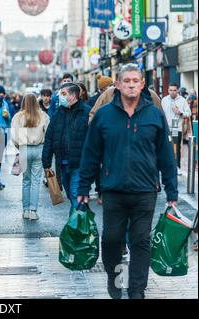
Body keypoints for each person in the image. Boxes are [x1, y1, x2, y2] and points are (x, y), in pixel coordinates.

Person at [77, 64, 178, 299]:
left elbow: (166, 155)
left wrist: (172, 192)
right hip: (113, 190)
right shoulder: (103, 116)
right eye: (127, 81)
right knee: (111, 239)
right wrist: (83, 187)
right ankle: (115, 279)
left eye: (136, 80)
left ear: (142, 84)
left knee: (141, 240)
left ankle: (136, 291)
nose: (131, 84)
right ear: (118, 85)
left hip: (145, 190)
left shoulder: (154, 115)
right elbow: (91, 154)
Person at [42, 83, 91, 210]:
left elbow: (94, 139)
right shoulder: (58, 113)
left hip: (80, 163)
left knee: (75, 195)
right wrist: (46, 162)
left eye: (64, 94)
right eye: (60, 94)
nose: (60, 96)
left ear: (74, 95)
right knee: (70, 195)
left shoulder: (86, 112)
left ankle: (74, 228)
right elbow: (49, 138)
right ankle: (84, 221)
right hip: (62, 163)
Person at [11, 94, 49, 220]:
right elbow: (48, 133)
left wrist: (19, 146)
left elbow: (14, 137)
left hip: (24, 148)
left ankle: (25, 210)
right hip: (39, 148)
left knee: (26, 181)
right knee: (36, 181)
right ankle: (33, 210)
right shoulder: (43, 115)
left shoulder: (18, 117)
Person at [161, 83, 191, 170]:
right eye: (171, 90)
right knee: (166, 147)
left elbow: (188, 113)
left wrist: (179, 112)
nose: (172, 92)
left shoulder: (182, 100)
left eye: (174, 90)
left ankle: (177, 167)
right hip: (166, 128)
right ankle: (166, 166)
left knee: (176, 147)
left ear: (177, 90)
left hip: (176, 128)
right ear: (168, 90)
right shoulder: (164, 100)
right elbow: (161, 113)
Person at [0, 85, 11, 190]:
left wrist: (8, 116)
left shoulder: (5, 104)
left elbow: (9, 120)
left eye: (3, 93)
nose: (1, 95)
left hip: (3, 133)